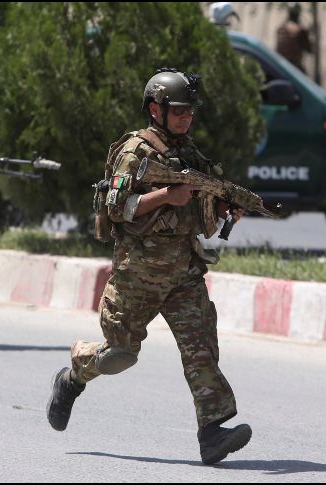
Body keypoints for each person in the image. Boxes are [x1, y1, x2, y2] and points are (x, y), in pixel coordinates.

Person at [46, 68, 252, 465]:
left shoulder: (190, 153)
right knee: (119, 356)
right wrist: (165, 195)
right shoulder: (135, 152)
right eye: (178, 111)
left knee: (201, 350)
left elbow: (201, 217)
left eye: (190, 111)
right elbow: (117, 208)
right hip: (138, 273)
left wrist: (224, 209)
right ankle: (73, 374)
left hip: (184, 272)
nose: (186, 117)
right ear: (155, 109)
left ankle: (212, 433)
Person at [275, 3, 312, 73]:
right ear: (298, 14)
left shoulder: (281, 29)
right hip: (293, 67)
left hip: (278, 64)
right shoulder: (300, 30)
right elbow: (309, 49)